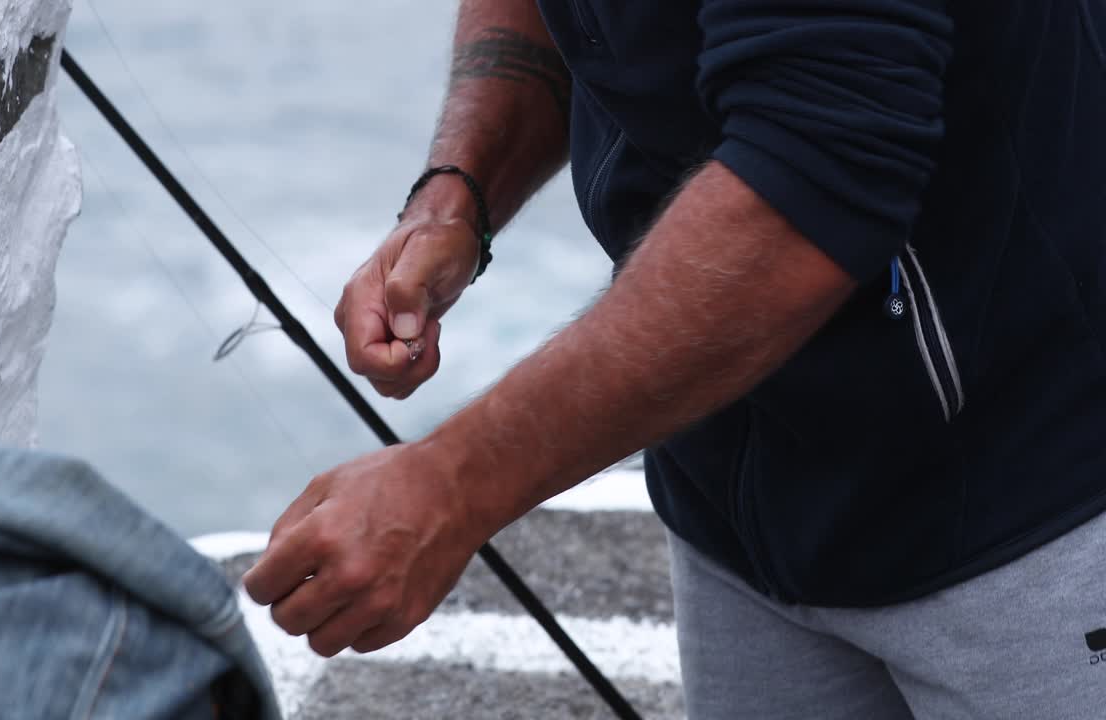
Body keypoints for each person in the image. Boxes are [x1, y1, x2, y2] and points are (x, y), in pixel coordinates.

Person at [245, 1, 1106, 716]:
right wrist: (458, 192)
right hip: (736, 497)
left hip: (1034, 498)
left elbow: (813, 180)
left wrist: (451, 486)